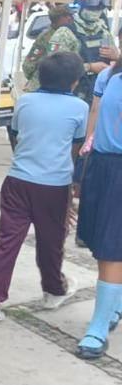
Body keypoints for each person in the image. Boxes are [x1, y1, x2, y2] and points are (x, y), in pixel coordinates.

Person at [0, 51, 88, 327]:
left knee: (6, 243)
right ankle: (53, 289)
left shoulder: (25, 101)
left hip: (18, 180)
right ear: (74, 82)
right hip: (55, 184)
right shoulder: (79, 108)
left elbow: (15, 135)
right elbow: (77, 146)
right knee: (51, 241)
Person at [76, 56, 122, 358]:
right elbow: (95, 115)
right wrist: (84, 158)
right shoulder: (109, 77)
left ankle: (99, 325)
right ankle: (114, 305)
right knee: (102, 242)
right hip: (102, 166)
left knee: (111, 248)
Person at [66, 0, 121, 102]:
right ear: (80, 7)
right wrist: (89, 67)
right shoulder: (66, 33)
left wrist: (117, 56)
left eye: (100, 9)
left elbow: (115, 63)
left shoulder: (104, 32)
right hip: (73, 93)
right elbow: (55, 67)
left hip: (100, 91)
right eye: (92, 9)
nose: (96, 12)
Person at [22, 5, 76, 91]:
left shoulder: (71, 32)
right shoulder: (46, 37)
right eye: (66, 16)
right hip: (44, 84)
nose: (70, 18)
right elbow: (30, 63)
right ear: (58, 19)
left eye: (70, 15)